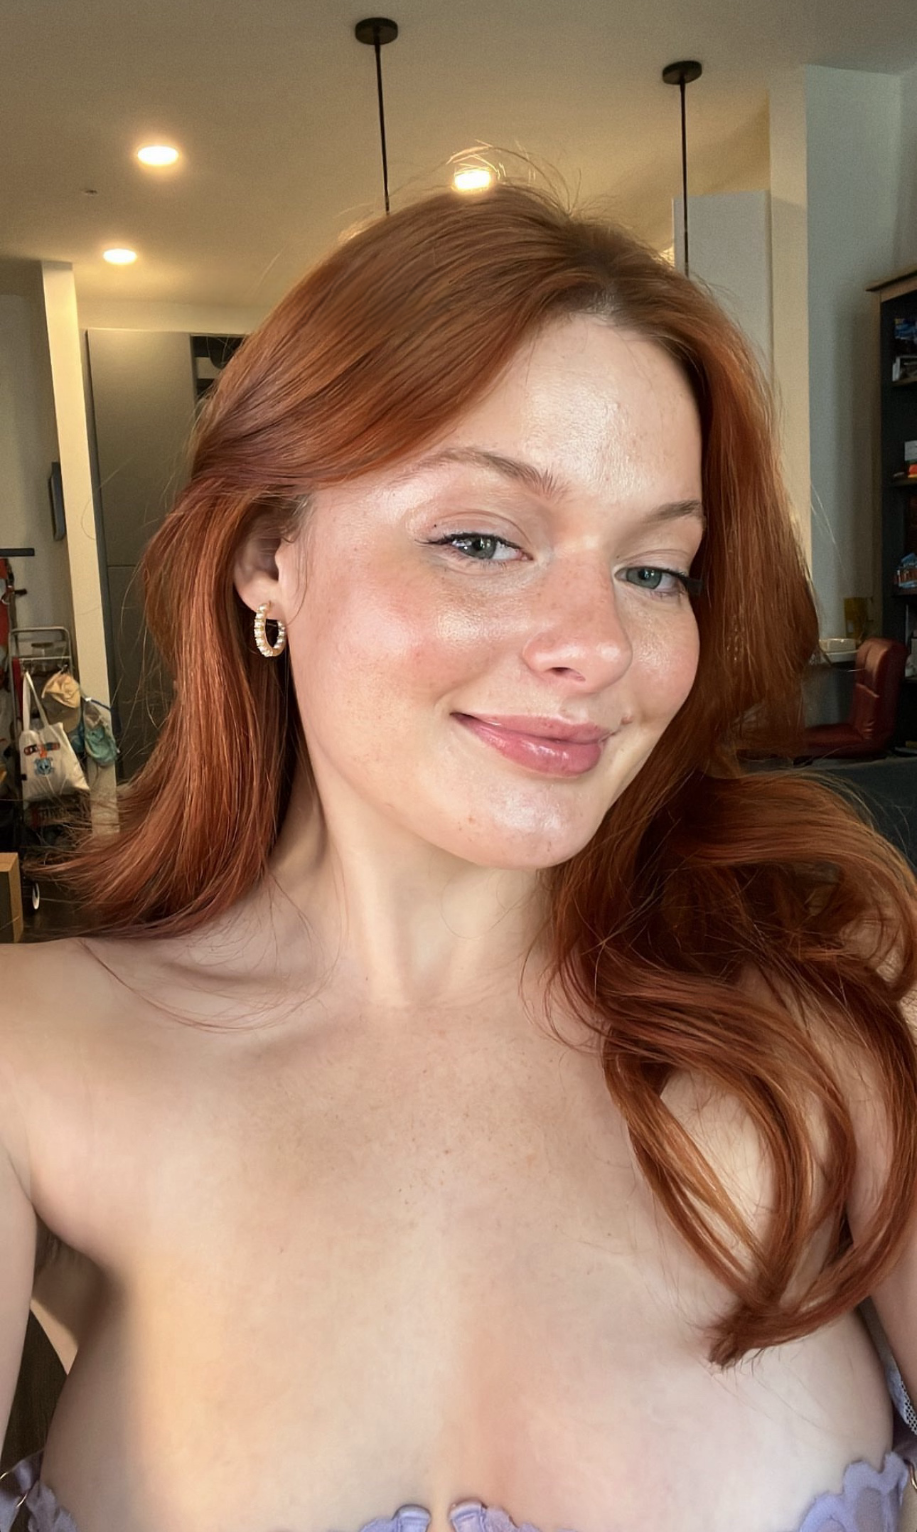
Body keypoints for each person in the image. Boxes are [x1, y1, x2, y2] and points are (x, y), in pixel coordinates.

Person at [1, 182, 916, 1532]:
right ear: (266, 557)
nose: (596, 646)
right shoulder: (33, 1059)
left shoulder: (846, 1002)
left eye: (656, 569)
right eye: (481, 540)